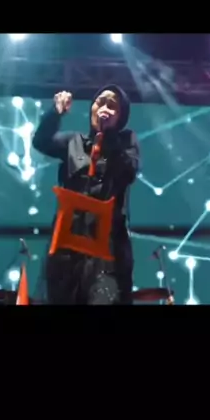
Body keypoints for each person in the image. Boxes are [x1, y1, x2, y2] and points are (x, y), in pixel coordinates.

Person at [32, 84, 139, 305]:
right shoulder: (73, 142)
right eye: (100, 103)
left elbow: (129, 170)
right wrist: (55, 113)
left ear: (121, 116)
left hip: (107, 249)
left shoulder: (126, 142)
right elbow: (41, 141)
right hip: (67, 246)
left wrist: (108, 136)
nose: (104, 108)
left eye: (112, 106)